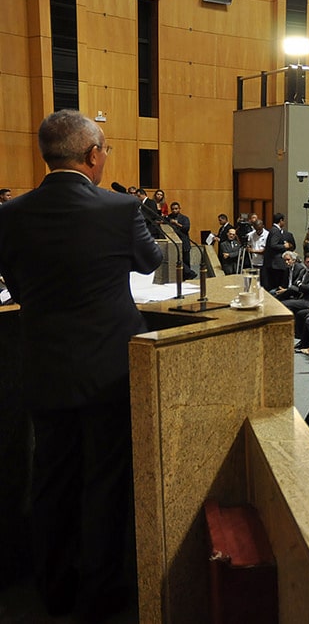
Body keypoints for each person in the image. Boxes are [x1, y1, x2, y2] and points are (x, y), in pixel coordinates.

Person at [0, 109, 163, 619]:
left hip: (44, 367)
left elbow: (18, 286)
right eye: (106, 150)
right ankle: (103, 596)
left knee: (51, 479)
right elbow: (148, 261)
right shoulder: (118, 209)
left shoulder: (10, 214)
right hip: (110, 371)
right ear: (94, 155)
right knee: (106, 482)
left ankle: (55, 591)